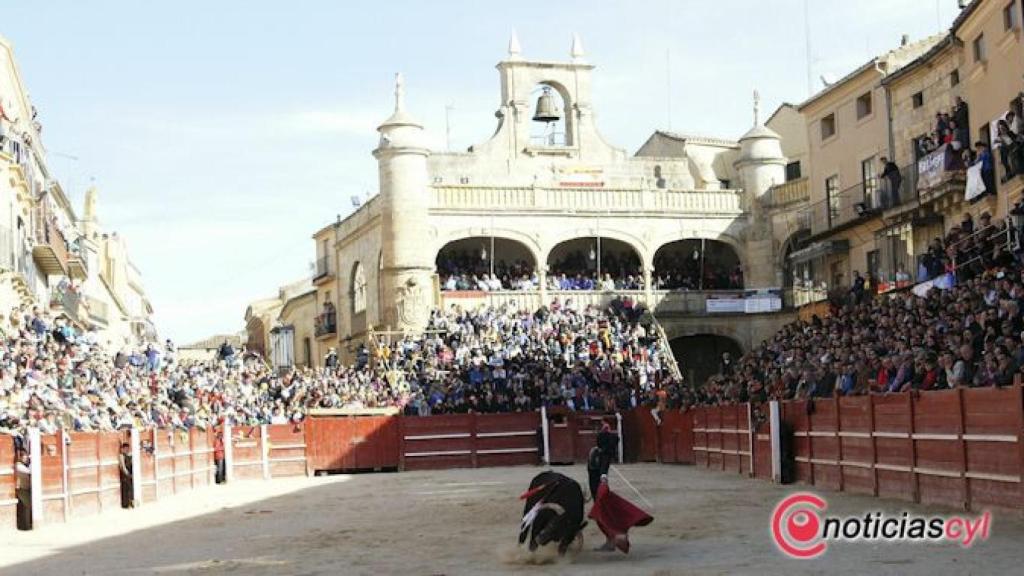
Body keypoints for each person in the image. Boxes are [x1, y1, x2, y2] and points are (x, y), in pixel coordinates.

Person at [587, 423, 653, 553]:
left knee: (602, 516)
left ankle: (614, 539)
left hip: (599, 489)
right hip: (598, 488)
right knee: (604, 515)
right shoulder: (601, 452)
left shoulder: (603, 454)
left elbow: (603, 471)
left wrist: (603, 481)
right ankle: (613, 538)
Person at [15, 445, 31, 530]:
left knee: (26, 507)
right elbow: (29, 472)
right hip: (21, 489)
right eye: (25, 457)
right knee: (27, 506)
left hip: (25, 489)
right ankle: (26, 525)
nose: (26, 459)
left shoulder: (22, 465)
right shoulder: (18, 466)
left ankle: (26, 525)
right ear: (20, 457)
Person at [118, 441, 134, 508]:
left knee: (131, 488)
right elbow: (123, 467)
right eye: (125, 448)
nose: (127, 450)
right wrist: (128, 474)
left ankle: (131, 502)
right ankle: (126, 504)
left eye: (127, 448)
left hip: (130, 473)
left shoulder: (130, 455)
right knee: (126, 488)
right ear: (123, 449)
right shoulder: (121, 456)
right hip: (125, 475)